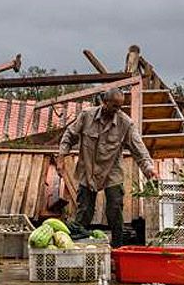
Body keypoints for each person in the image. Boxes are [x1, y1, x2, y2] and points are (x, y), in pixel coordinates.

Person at [57, 87, 157, 247]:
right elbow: (69, 135)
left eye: (120, 106)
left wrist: (148, 168)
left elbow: (139, 149)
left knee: (115, 209)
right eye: (114, 106)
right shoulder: (86, 116)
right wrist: (61, 158)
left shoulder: (125, 123)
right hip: (87, 169)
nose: (117, 109)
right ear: (105, 102)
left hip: (112, 172)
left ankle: (117, 248)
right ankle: (76, 246)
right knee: (84, 211)